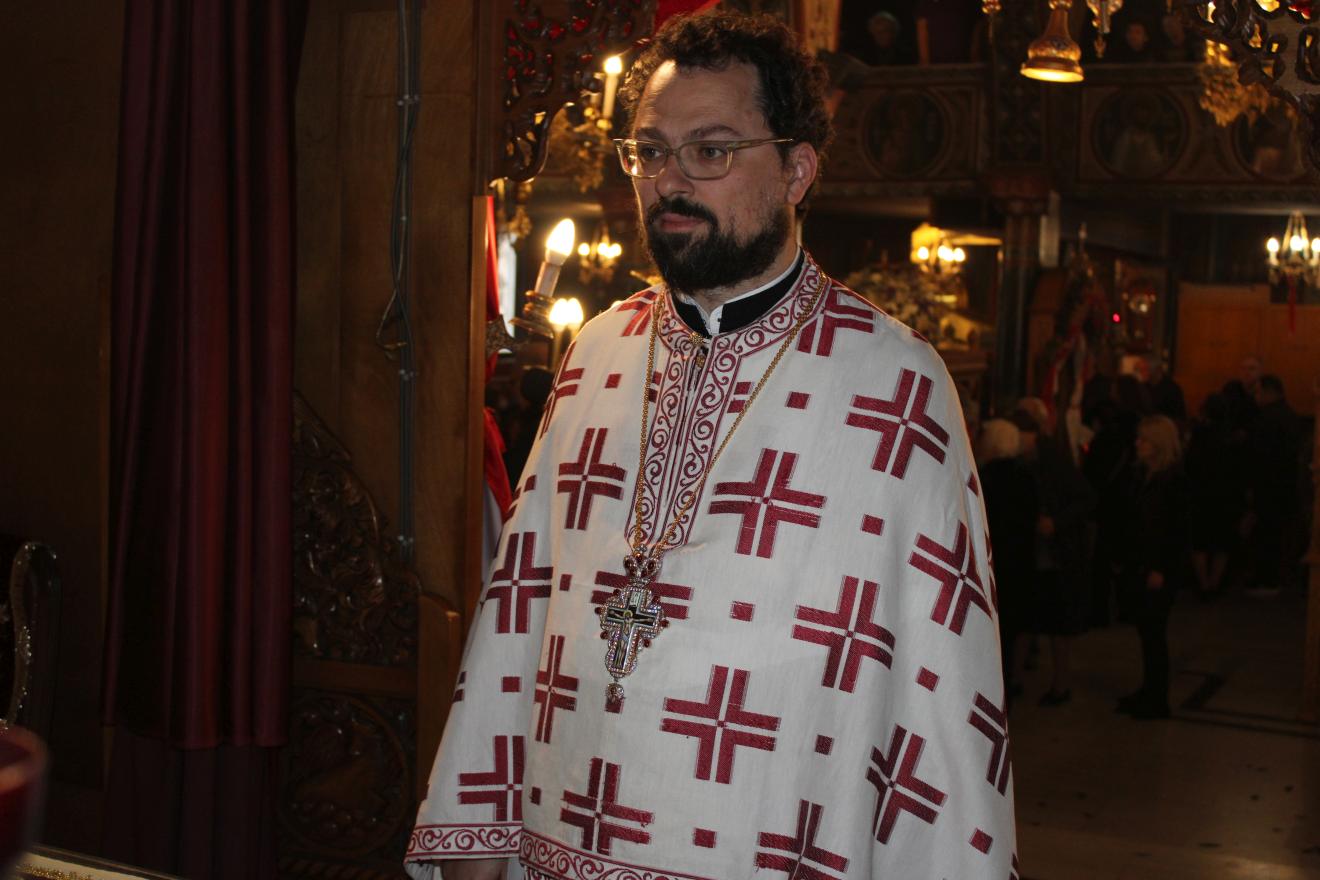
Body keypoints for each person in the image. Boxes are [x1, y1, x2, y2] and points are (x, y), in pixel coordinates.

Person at [406, 12, 1016, 879]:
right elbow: (518, 615)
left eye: (712, 151)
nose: (669, 181)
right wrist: (479, 841)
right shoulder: (596, 354)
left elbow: (940, 689)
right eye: (650, 152)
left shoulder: (896, 384)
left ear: (797, 170)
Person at [1010, 405, 1095, 708]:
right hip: (1034, 554)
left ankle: (1060, 684)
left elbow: (1085, 498)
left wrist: (1055, 522)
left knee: (1058, 624)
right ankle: (1015, 679)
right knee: (1026, 620)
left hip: (1057, 555)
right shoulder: (1025, 461)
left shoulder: (1054, 461)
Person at [1115, 415, 1190, 720]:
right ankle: (1149, 689)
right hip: (1141, 563)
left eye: (1144, 440)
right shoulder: (1143, 475)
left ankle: (1157, 697)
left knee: (1154, 632)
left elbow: (1176, 531)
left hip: (1159, 567)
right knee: (1147, 632)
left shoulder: (1173, 481)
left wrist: (1161, 568)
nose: (1138, 444)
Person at [976, 419, 1038, 704]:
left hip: (997, 563)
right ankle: (1008, 689)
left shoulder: (987, 477)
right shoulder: (1026, 476)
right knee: (1011, 631)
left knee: (994, 633)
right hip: (1021, 562)